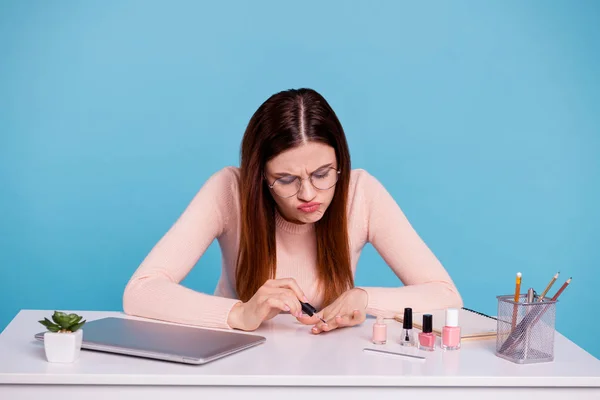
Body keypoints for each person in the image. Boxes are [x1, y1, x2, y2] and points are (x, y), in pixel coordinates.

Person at [123, 88, 463, 334]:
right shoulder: (229, 189)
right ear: (260, 177)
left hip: (328, 371)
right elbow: (140, 291)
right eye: (286, 179)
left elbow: (446, 295)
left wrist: (364, 298)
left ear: (340, 162)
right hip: (237, 370)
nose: (308, 193)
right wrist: (240, 313)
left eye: (322, 174)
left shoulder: (361, 192)